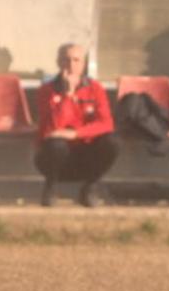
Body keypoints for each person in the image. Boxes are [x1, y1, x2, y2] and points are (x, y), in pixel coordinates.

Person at [35, 43, 119, 207]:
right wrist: (68, 94)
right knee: (56, 143)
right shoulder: (46, 90)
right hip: (54, 156)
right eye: (66, 60)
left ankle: (90, 188)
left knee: (112, 142)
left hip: (86, 152)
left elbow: (106, 123)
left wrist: (76, 133)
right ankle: (51, 188)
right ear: (58, 62)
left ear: (83, 64)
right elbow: (54, 128)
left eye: (76, 60)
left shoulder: (95, 88)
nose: (71, 65)